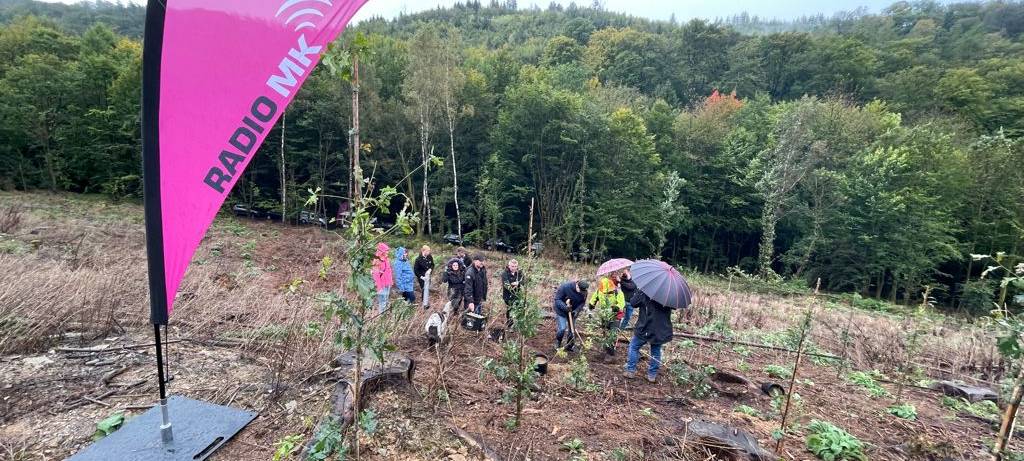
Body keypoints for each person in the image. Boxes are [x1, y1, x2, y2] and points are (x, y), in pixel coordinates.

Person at [623, 290, 674, 383]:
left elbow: (633, 302)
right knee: (656, 351)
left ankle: (630, 371)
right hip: (660, 329)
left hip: (645, 327)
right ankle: (652, 375)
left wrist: (640, 291)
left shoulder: (646, 291)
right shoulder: (668, 294)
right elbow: (673, 306)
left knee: (634, 347)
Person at [589, 272, 625, 356]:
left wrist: (615, 307)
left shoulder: (618, 292)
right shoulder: (600, 291)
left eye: (608, 293)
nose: (606, 294)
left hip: (615, 316)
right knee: (605, 332)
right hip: (604, 315)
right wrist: (591, 305)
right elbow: (594, 298)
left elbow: (621, 304)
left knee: (612, 334)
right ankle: (606, 349)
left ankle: (610, 354)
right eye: (605, 293)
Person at [553, 280, 589, 352]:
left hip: (572, 312)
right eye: (580, 290)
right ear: (577, 286)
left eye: (583, 291)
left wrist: (577, 311)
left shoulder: (584, 292)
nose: (581, 293)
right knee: (562, 329)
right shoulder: (565, 287)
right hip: (561, 311)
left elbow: (582, 303)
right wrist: (565, 307)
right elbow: (557, 299)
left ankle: (570, 345)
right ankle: (558, 342)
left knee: (572, 330)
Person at [501, 259, 526, 328]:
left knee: (519, 308)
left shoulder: (519, 273)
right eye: (512, 266)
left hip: (518, 295)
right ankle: (510, 325)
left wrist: (518, 283)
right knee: (510, 309)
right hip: (508, 295)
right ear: (509, 266)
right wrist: (512, 286)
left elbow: (523, 281)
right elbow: (506, 285)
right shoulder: (505, 273)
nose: (514, 268)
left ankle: (518, 324)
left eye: (515, 266)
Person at [371, 242, 393, 313]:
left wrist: (390, 282)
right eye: (386, 250)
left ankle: (384, 316)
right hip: (381, 285)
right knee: (382, 302)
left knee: (385, 301)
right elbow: (375, 275)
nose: (388, 252)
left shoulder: (387, 259)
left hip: (387, 283)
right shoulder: (377, 260)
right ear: (382, 251)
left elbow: (389, 271)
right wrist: (379, 287)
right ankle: (381, 316)